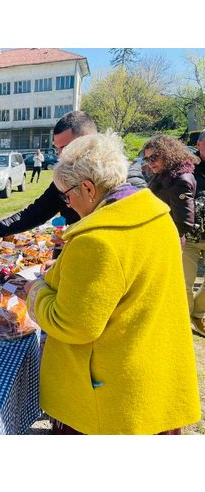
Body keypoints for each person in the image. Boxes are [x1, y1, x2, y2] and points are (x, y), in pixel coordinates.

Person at [27, 132, 200, 434]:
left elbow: (73, 324)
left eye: (66, 196)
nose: (67, 203)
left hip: (109, 403)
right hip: (153, 381)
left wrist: (35, 291)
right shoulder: (155, 216)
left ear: (88, 188)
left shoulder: (97, 240)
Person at [0, 111, 146, 239]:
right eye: (57, 148)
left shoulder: (127, 185)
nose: (60, 156)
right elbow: (38, 211)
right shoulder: (67, 179)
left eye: (65, 148)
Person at [144, 135, 197, 243]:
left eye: (154, 157)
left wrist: (163, 240)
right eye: (147, 159)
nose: (150, 162)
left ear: (167, 155)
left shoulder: (180, 180)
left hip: (168, 241)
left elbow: (184, 223)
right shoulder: (163, 175)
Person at [180, 130, 205, 336]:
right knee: (185, 282)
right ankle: (183, 324)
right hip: (189, 237)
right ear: (199, 145)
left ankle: (197, 313)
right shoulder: (189, 170)